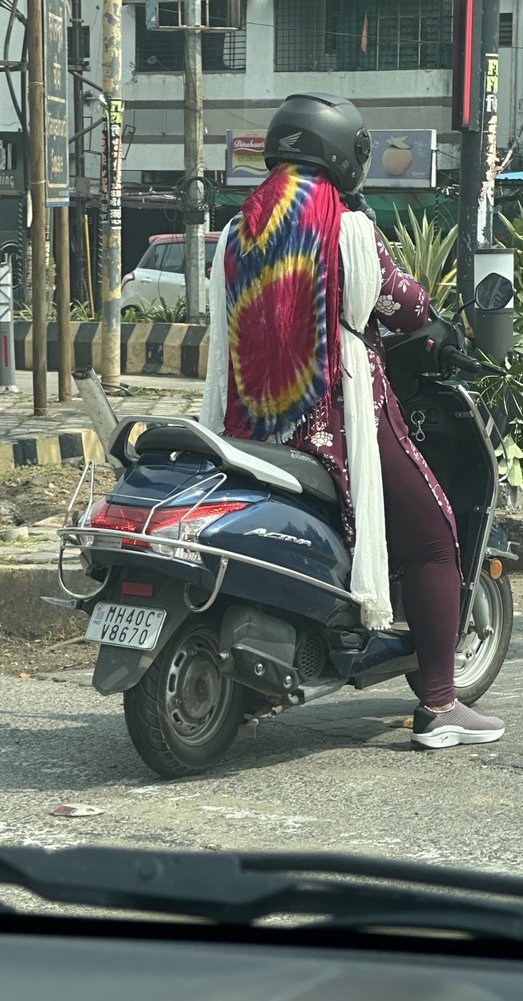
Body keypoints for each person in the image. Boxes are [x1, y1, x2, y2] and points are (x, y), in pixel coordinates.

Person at [201, 92, 505, 750]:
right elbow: (401, 303)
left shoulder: (232, 233)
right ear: (342, 156)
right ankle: (439, 705)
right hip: (335, 423)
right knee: (431, 532)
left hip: (249, 425)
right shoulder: (345, 227)